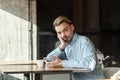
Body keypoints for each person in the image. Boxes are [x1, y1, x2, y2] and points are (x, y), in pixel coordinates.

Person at [44, 15, 104, 80]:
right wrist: (61, 47)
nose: (63, 35)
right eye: (59, 33)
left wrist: (62, 63)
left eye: (65, 30)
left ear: (72, 27)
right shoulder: (65, 45)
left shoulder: (84, 41)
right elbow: (48, 59)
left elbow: (90, 64)